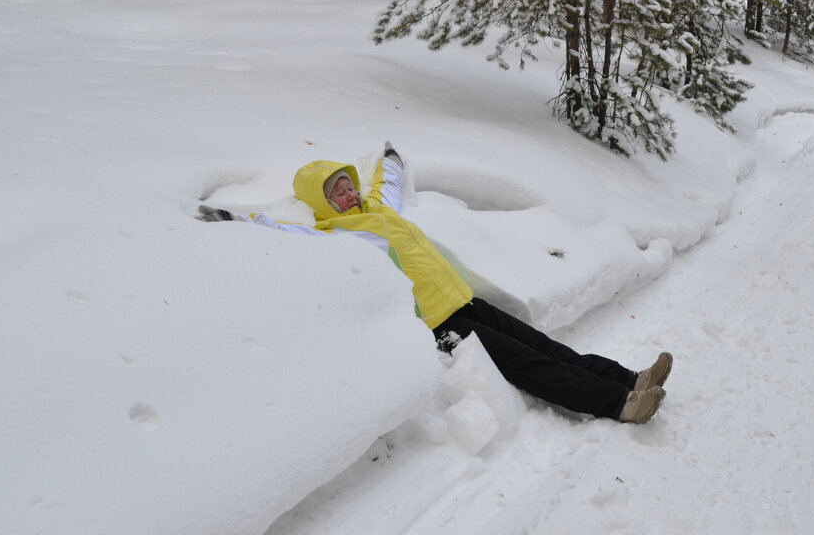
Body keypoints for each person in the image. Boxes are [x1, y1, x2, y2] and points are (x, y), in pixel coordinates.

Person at [196, 142, 671, 423]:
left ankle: (630, 378)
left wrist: (390, 156)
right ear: (320, 204)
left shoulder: (377, 209)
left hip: (461, 300)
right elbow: (280, 228)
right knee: (530, 366)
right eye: (335, 191)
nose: (346, 193)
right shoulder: (331, 230)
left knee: (544, 346)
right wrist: (231, 217)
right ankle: (619, 404)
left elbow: (389, 184)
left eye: (346, 183)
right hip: (436, 321)